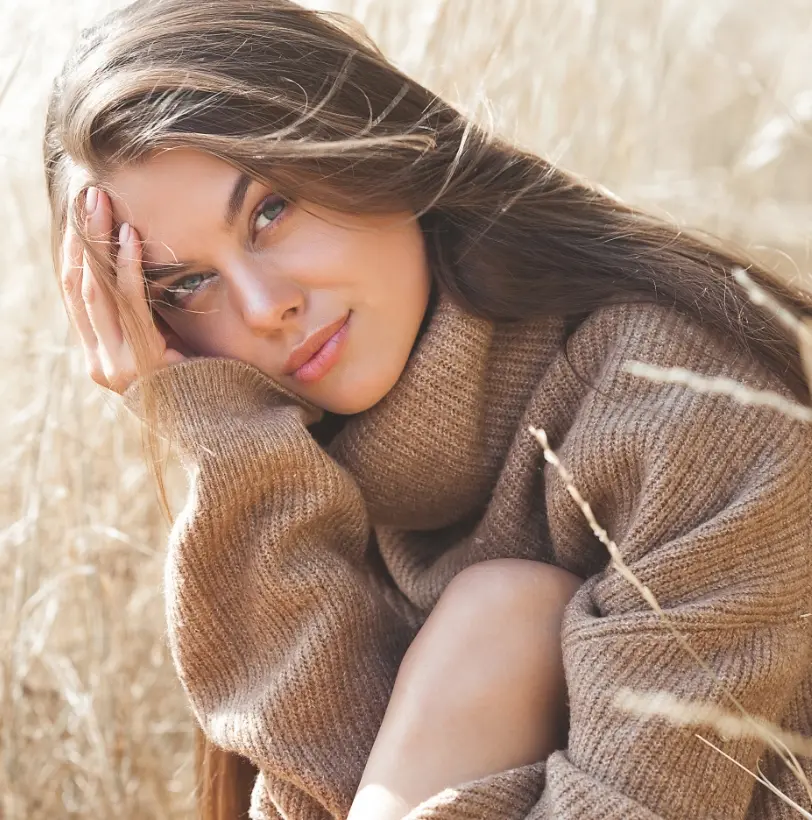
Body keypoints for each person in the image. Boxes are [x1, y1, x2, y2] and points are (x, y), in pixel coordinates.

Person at [43, 1, 812, 818]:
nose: (266, 306)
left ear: (367, 138)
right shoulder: (315, 477)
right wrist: (229, 449)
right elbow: (333, 798)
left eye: (270, 210)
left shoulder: (679, 408)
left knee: (500, 616)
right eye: (187, 285)